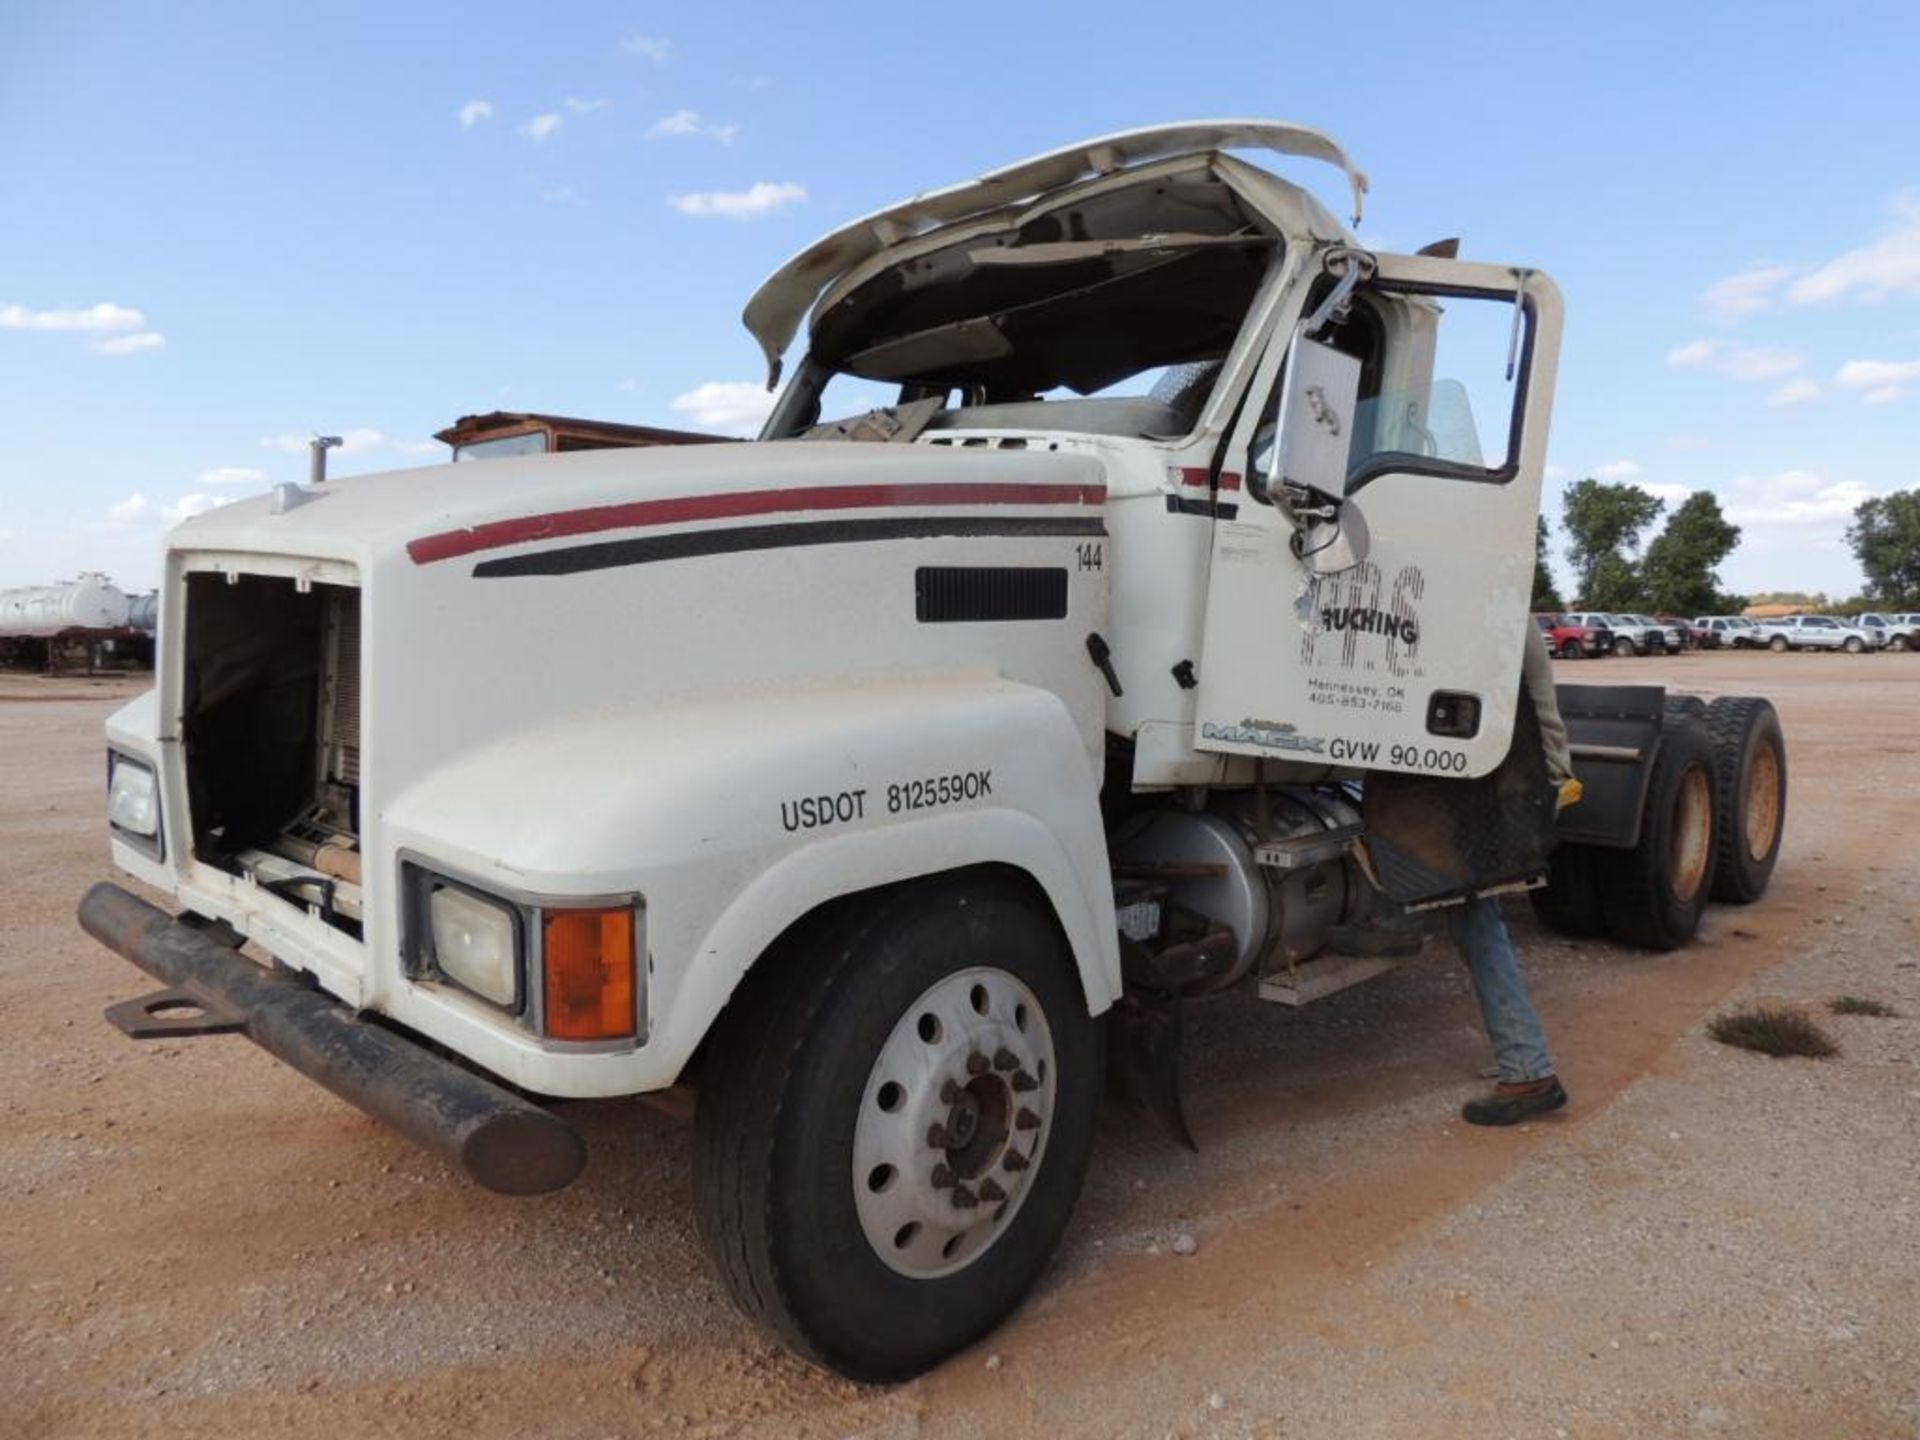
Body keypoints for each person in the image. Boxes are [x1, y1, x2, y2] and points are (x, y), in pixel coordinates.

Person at [1451, 624, 1578, 1126]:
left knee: (1474, 912)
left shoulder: (1497, 612)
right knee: (1471, 915)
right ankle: (1524, 1059)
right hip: (1519, 778)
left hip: (1514, 783)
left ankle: (1529, 1070)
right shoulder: (1507, 604)